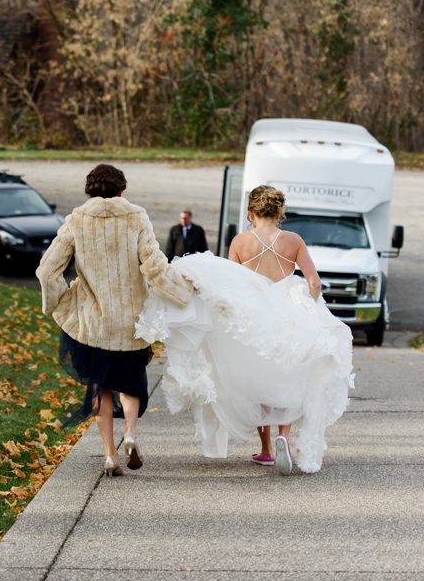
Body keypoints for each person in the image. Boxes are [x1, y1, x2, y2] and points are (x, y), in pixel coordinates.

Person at [136, 185, 354, 475]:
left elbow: (229, 284)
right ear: (280, 213)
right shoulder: (294, 240)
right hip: (287, 314)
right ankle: (284, 437)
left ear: (251, 213)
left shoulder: (240, 242)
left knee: (260, 377)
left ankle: (265, 449)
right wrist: (310, 307)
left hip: (254, 318)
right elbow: (314, 282)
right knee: (288, 374)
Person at [37, 164, 193, 477]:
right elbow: (154, 267)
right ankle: (131, 434)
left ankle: (110, 455)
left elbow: (47, 270)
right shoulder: (136, 216)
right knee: (132, 384)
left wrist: (57, 302)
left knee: (100, 387)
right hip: (130, 322)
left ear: (89, 191)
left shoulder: (77, 219)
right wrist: (184, 291)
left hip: (91, 325)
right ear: (121, 190)